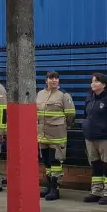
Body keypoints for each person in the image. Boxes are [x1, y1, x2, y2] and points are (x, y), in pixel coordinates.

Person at [82, 72, 107, 205]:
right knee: (95, 166)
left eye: (96, 81)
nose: (93, 84)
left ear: (104, 84)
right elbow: (86, 114)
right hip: (90, 138)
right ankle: (96, 192)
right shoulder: (90, 98)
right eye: (92, 81)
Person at [36, 71, 76, 201]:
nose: (54, 80)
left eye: (56, 78)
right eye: (51, 78)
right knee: (47, 162)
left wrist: (64, 126)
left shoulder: (64, 95)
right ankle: (48, 187)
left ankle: (55, 189)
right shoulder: (40, 94)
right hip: (42, 134)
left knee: (55, 161)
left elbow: (70, 114)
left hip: (57, 134)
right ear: (46, 80)